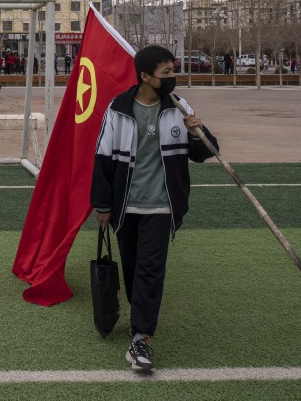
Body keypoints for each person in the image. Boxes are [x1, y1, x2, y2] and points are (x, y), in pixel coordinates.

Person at [90, 45, 218, 374]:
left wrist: (197, 132)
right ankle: (139, 315)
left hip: (162, 206)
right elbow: (102, 159)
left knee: (150, 270)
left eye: (173, 70)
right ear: (146, 77)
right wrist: (103, 204)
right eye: (166, 73)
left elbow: (205, 152)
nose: (173, 77)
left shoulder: (179, 107)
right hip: (125, 207)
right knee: (134, 271)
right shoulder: (117, 109)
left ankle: (140, 339)